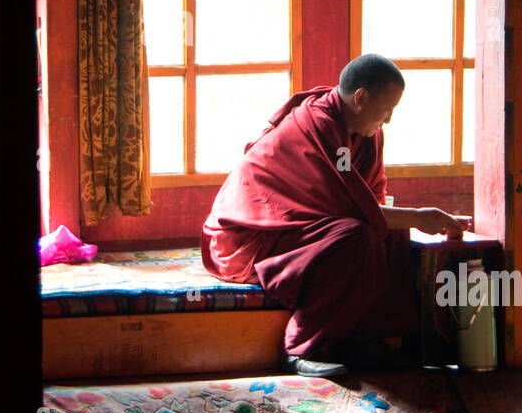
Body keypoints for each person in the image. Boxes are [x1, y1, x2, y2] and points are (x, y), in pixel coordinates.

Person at [201, 53, 473, 378]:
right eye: (387, 109)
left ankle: (363, 338)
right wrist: (418, 217)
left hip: (303, 222)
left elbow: (372, 196)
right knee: (356, 237)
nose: (388, 120)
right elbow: (354, 204)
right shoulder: (321, 125)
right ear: (361, 98)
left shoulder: (367, 134)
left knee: (390, 232)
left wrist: (423, 219)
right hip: (250, 235)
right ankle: (300, 348)